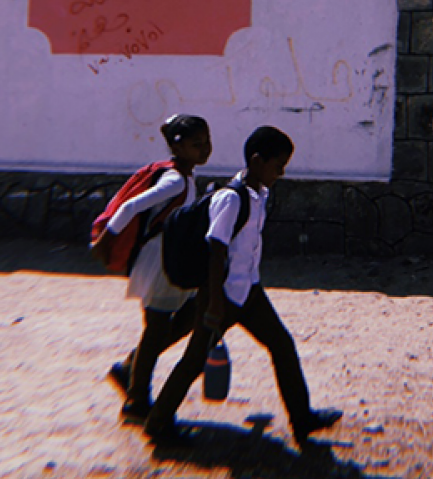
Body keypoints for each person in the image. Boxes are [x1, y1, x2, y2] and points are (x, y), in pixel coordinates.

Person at [142, 125, 341, 448]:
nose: (281, 172)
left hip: (248, 291)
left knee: (282, 346)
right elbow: (215, 249)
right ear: (258, 160)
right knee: (194, 360)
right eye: (278, 165)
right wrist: (215, 303)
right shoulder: (230, 199)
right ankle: (157, 423)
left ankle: (302, 420)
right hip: (221, 296)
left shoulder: (259, 194)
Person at [100, 114, 212, 423]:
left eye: (207, 142)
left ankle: (131, 367)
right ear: (178, 146)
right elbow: (131, 206)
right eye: (197, 144)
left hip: (173, 257)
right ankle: (137, 398)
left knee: (188, 316)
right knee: (157, 327)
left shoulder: (185, 176)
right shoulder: (174, 178)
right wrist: (106, 239)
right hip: (160, 259)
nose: (205, 149)